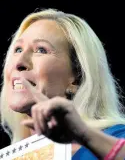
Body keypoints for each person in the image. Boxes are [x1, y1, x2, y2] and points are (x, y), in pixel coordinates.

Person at [0, 8, 125, 159]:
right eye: (18, 49)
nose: (19, 62)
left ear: (77, 77)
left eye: (41, 50)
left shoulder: (117, 136)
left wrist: (84, 135)